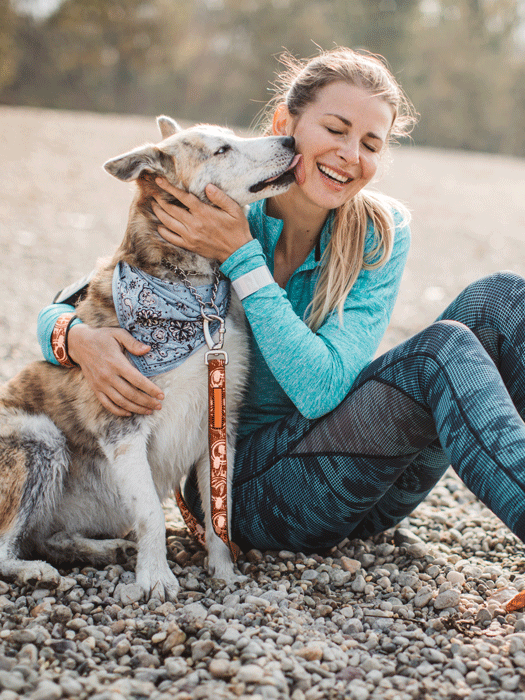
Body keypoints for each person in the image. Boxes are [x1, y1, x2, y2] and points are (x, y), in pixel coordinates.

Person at [38, 47, 525, 555]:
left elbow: (323, 388)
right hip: (246, 494)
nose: (350, 155)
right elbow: (72, 302)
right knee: (437, 352)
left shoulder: (380, 232)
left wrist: (241, 260)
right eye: (335, 130)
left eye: (370, 144)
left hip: (369, 488)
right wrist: (77, 340)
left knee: (505, 300)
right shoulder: (217, 207)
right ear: (284, 122)